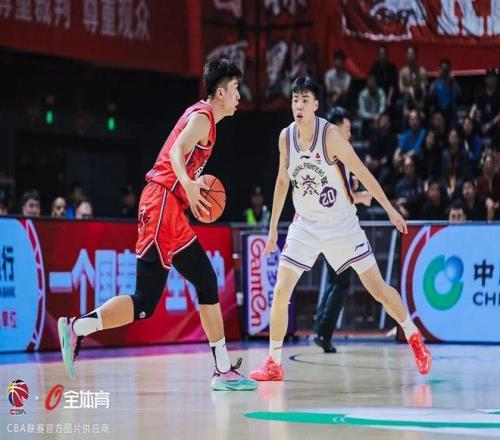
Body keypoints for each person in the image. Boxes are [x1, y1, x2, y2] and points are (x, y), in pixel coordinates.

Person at [57, 58, 258, 391]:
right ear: (220, 92)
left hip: (170, 208)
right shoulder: (203, 117)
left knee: (205, 281)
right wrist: (188, 184)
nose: (240, 95)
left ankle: (223, 370)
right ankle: (76, 328)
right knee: (145, 300)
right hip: (162, 202)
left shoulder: (206, 120)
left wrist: (187, 190)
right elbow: (177, 151)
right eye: (236, 88)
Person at [249, 76, 431, 382]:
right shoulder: (286, 137)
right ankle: (273, 362)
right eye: (295, 101)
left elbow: (363, 172)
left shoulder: (330, 136)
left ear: (316, 105)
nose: (298, 106)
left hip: (341, 225)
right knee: (281, 290)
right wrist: (272, 228)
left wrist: (390, 209)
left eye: (305, 101)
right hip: (305, 225)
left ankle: (413, 336)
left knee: (378, 289)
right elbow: (282, 181)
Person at [313, 107, 373, 353]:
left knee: (335, 280)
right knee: (341, 282)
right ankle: (323, 332)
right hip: (336, 228)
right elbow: (341, 196)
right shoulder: (336, 155)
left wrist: (355, 189)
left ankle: (320, 327)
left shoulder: (323, 151)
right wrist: (362, 197)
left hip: (326, 227)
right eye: (346, 129)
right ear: (336, 128)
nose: (349, 134)